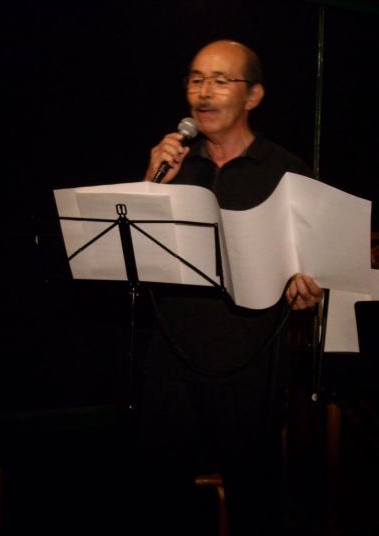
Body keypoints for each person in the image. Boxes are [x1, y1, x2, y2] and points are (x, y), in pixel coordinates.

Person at [134, 40, 323, 536]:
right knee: (161, 503)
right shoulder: (175, 166)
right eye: (196, 80)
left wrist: (308, 291)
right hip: (171, 364)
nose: (204, 93)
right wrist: (152, 183)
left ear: (253, 96)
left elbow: (312, 274)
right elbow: (137, 257)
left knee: (255, 505)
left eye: (220, 81)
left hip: (250, 368)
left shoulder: (287, 171)